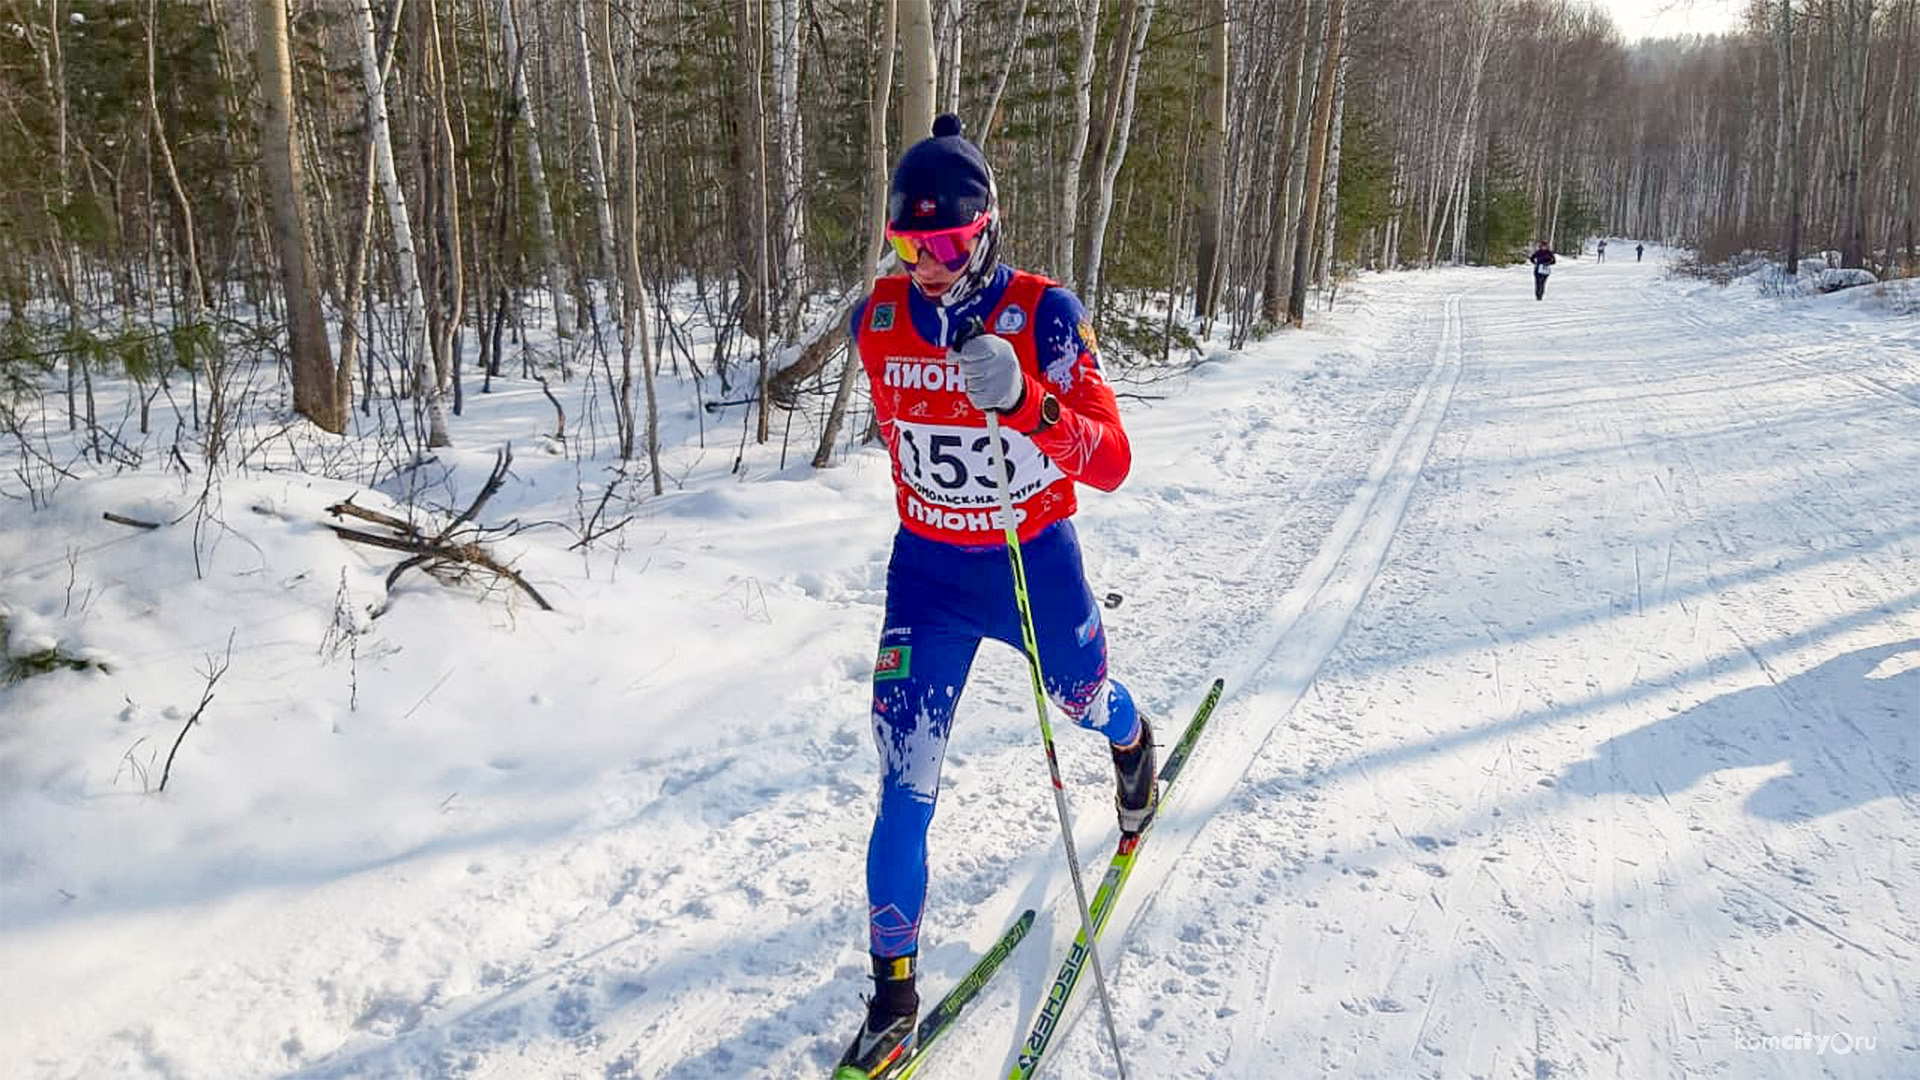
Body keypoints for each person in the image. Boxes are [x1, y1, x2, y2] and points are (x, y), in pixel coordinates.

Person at [833, 113, 1156, 1079]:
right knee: (904, 786)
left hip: (1031, 562)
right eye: (906, 244)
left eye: (946, 244)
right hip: (927, 579)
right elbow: (904, 437)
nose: (926, 264)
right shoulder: (878, 322)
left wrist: (1024, 402)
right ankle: (893, 1000)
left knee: (1083, 699)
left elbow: (1113, 462)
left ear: (989, 229)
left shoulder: (1046, 313)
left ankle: (1135, 741)